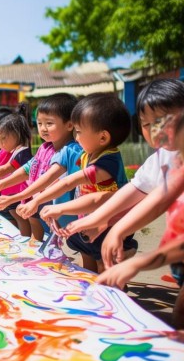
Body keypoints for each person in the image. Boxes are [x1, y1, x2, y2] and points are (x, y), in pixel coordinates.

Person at [60, 79, 184, 244]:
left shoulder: (107, 161)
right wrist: (105, 221)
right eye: (146, 124)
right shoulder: (160, 159)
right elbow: (135, 190)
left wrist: (111, 225)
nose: (156, 130)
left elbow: (157, 202)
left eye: (163, 120)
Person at [97, 110, 184, 329]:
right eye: (148, 124)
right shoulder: (173, 161)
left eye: (165, 123)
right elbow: (156, 197)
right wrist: (116, 227)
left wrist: (141, 262)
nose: (157, 132)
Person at [34, 93, 134, 273]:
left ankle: (126, 252)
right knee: (83, 251)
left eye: (79, 132)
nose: (76, 138)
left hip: (110, 224)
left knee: (105, 267)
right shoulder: (88, 154)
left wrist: (53, 206)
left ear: (102, 138)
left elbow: (72, 185)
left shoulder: (107, 161)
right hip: (93, 220)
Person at [0, 93, 77, 241]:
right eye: (39, 123)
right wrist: (2, 183)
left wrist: (19, 197)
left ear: (70, 125)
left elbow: (49, 178)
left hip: (64, 212)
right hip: (43, 207)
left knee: (76, 249)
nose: (43, 128)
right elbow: (27, 169)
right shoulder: (45, 148)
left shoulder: (71, 151)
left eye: (49, 123)